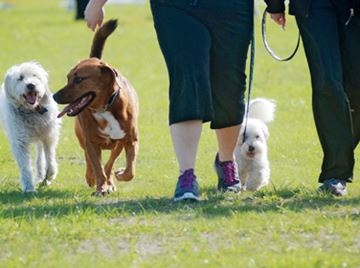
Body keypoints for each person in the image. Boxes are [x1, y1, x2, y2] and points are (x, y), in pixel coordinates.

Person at [84, 0, 254, 201]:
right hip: (175, 7)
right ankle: (187, 175)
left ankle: (226, 163)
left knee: (228, 87)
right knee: (187, 79)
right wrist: (96, 3)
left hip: (231, 8)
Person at [265, 0, 360, 196]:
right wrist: (275, 4)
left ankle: (340, 148)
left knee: (356, 86)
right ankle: (335, 173)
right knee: (327, 82)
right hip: (313, 6)